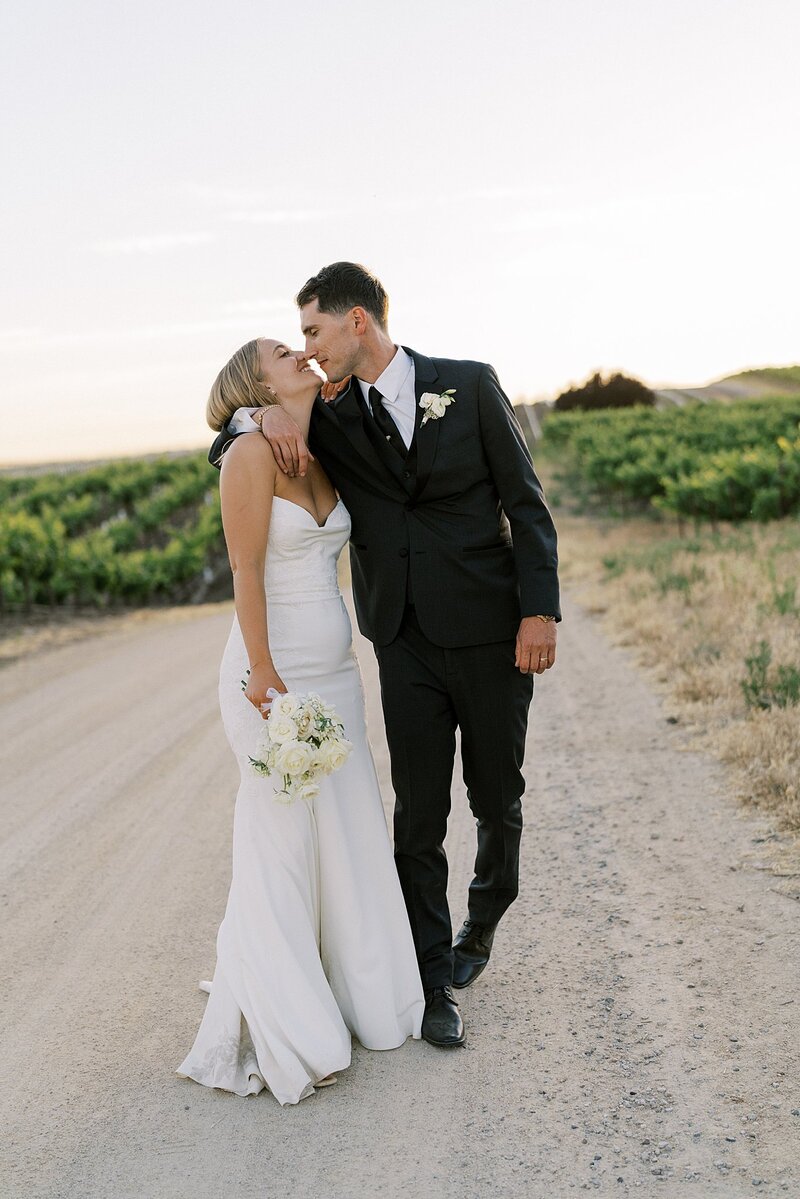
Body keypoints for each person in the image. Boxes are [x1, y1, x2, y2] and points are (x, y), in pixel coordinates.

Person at [209, 262, 560, 1049]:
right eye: (296, 339)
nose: (308, 349)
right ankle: (434, 978)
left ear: (356, 321)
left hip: (491, 629)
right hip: (400, 641)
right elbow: (231, 448)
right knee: (418, 812)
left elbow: (527, 506)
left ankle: (486, 913)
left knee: (497, 795)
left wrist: (539, 609)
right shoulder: (327, 421)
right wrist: (250, 424)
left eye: (313, 331)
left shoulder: (468, 387)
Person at [177, 337, 424, 1106]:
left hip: (337, 676)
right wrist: (264, 672)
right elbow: (246, 569)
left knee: (348, 827)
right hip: (270, 676)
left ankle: (366, 996)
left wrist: (276, 413)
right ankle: (294, 1023)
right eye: (286, 352)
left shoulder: (321, 441)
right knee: (281, 840)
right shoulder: (250, 454)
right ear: (255, 384)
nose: (302, 353)